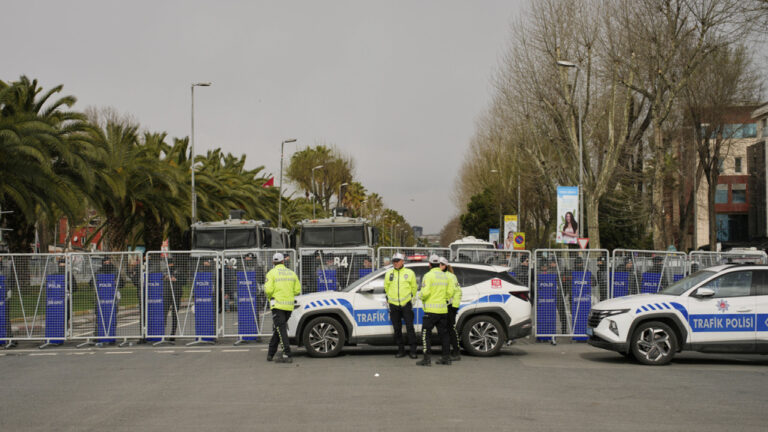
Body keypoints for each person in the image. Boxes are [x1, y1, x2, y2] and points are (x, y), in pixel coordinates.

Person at [416, 254, 455, 366]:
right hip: (443, 310)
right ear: (438, 264)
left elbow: (426, 292)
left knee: (425, 335)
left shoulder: (428, 276)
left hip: (431, 311)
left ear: (429, 264)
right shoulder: (445, 276)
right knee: (444, 335)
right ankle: (446, 358)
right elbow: (449, 293)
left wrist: (420, 296)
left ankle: (426, 359)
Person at [264, 252, 301, 363]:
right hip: (289, 306)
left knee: (281, 329)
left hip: (277, 305)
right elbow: (297, 290)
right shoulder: (291, 273)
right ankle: (270, 353)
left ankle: (287, 354)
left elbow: (268, 290)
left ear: (273, 262)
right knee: (279, 329)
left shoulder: (271, 273)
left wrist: (270, 297)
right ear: (283, 261)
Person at [383, 253, 418, 359]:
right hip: (394, 305)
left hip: (406, 304)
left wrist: (411, 300)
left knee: (409, 328)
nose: (395, 263)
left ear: (403, 261)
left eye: (398, 261)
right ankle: (401, 350)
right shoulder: (389, 273)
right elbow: (386, 287)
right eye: (394, 261)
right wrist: (389, 299)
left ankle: (413, 351)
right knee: (397, 329)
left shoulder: (409, 273)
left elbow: (414, 288)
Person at [440, 257, 462, 361]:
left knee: (450, 329)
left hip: (450, 306)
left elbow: (451, 292)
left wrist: (453, 307)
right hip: (446, 306)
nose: (439, 266)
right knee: (447, 330)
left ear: (445, 266)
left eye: (441, 264)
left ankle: (456, 351)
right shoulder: (443, 275)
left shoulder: (450, 276)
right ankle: (448, 351)